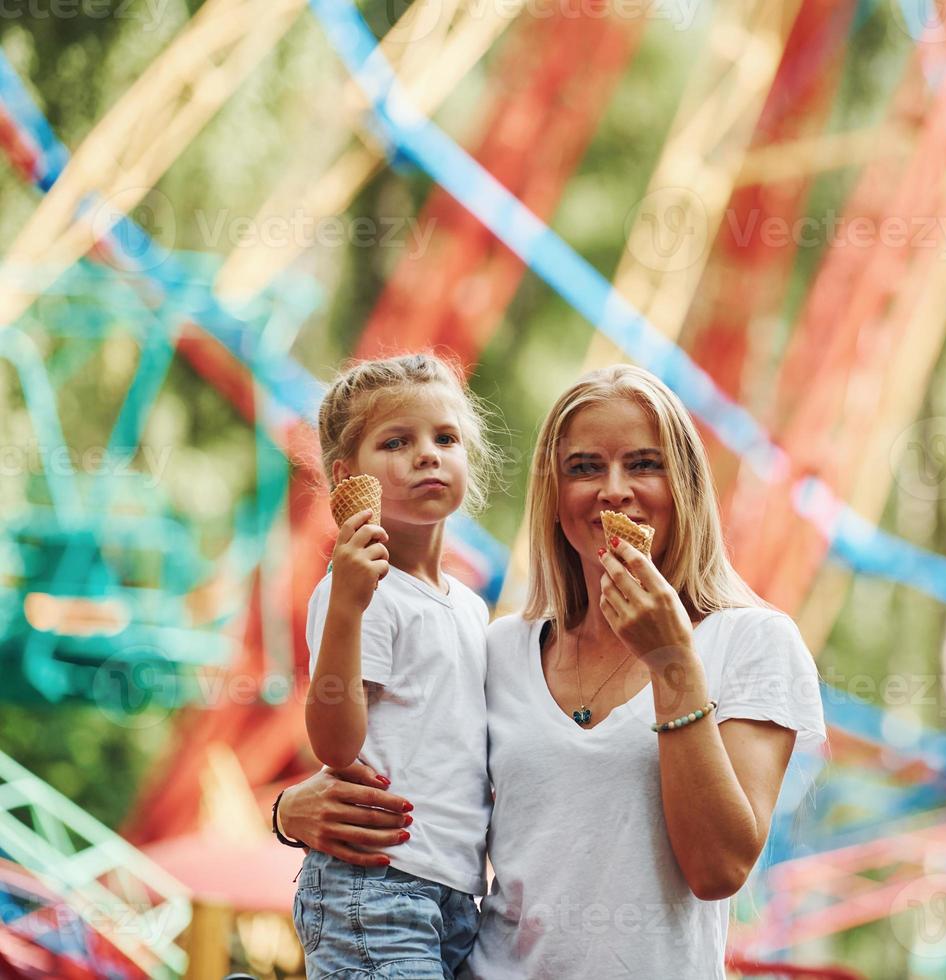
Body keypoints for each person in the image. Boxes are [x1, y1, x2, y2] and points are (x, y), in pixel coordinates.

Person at [277, 364, 826, 978]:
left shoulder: (753, 642)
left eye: (644, 464)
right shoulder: (500, 647)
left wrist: (672, 661)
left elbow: (718, 869)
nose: (614, 490)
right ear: (555, 496)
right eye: (585, 467)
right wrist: (289, 811)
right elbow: (405, 750)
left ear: (686, 486)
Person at [293, 352, 505, 979]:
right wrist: (348, 606)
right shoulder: (360, 589)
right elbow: (335, 744)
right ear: (346, 478)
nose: (428, 454)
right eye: (396, 441)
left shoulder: (470, 607)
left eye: (446, 438)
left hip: (457, 892)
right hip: (375, 884)